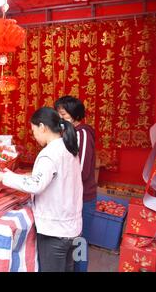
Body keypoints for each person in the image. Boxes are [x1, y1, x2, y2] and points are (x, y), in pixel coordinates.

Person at [0, 107, 83, 272]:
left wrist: (3, 178)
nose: (34, 135)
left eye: (33, 130)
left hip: (55, 232)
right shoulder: (68, 148)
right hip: (72, 227)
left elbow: (36, 185)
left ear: (42, 127)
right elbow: (52, 178)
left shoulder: (49, 153)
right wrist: (11, 175)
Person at [55, 95, 96, 272]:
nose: (60, 118)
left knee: (80, 241)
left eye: (63, 114)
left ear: (75, 115)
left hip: (83, 198)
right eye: (59, 114)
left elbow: (82, 170)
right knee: (72, 242)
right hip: (71, 197)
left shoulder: (83, 133)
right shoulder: (70, 134)